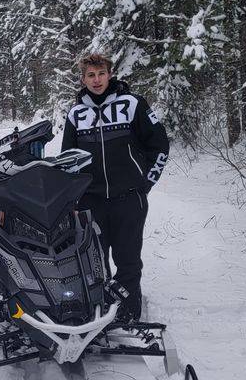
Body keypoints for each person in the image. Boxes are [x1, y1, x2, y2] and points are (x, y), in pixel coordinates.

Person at [60, 52, 169, 322]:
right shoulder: (76, 114)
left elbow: (160, 146)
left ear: (110, 74)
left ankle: (129, 317)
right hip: (90, 202)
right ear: (83, 79)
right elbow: (68, 160)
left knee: (128, 261)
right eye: (90, 75)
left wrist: (146, 183)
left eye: (101, 74)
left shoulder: (133, 104)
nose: (96, 80)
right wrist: (72, 199)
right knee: (95, 263)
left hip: (129, 199)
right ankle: (102, 317)